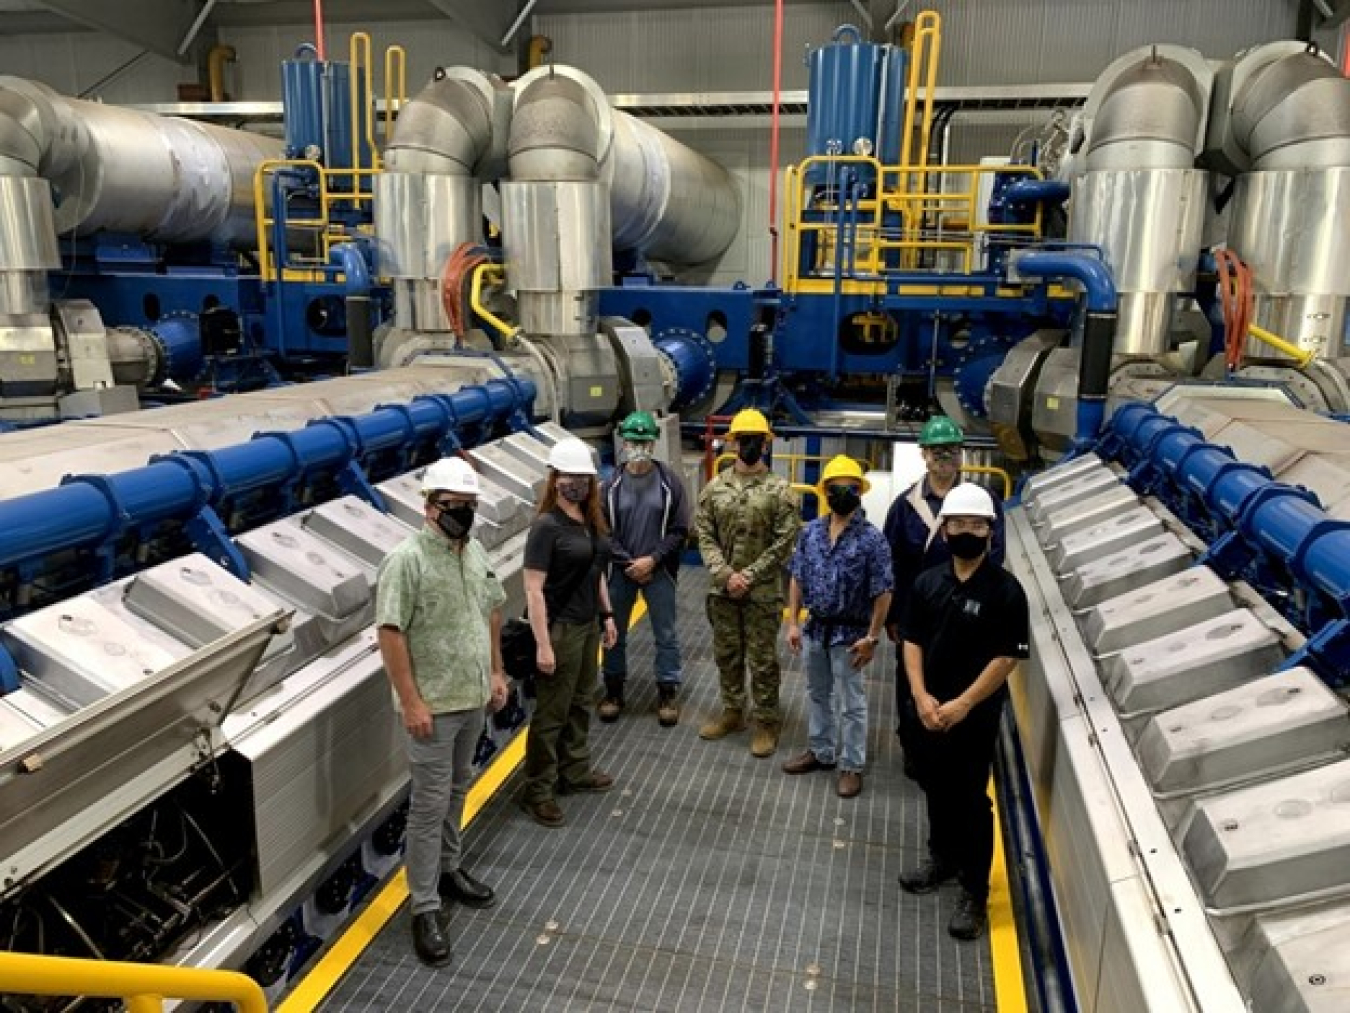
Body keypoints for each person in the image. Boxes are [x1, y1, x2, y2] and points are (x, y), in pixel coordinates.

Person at [374, 456, 510, 968]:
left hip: (471, 696)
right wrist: (410, 701)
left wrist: (496, 672)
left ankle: (448, 871)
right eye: (456, 506)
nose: (465, 514)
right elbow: (390, 633)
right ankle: (423, 906)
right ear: (430, 507)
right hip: (432, 707)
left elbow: (491, 611)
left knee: (459, 787)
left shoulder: (473, 553)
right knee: (428, 808)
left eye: (470, 506)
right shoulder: (405, 560)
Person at [898, 482, 1029, 941]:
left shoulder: (1006, 592)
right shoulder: (928, 583)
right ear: (946, 529)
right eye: (958, 524)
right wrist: (920, 695)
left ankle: (975, 891)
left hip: (973, 716)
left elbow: (1006, 658)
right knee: (935, 785)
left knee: (972, 799)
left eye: (976, 525)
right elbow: (911, 640)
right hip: (930, 709)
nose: (967, 532)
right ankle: (942, 859)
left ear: (990, 532)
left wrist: (963, 704)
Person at [882, 415, 1005, 777]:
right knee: (911, 685)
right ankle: (913, 748)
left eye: (951, 450)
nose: (944, 457)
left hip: (967, 617)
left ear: (961, 453)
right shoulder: (905, 508)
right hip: (918, 617)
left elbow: (994, 563)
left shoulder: (985, 504)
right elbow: (892, 564)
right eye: (937, 451)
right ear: (924, 455)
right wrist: (892, 616)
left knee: (960, 680)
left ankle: (951, 746)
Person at [519, 436, 619, 829]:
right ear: (555, 479)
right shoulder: (546, 528)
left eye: (583, 477)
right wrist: (543, 644)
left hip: (587, 625)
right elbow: (533, 590)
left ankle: (574, 770)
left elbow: (595, 572)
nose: (575, 483)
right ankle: (538, 790)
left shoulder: (590, 521)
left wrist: (607, 615)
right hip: (560, 630)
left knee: (580, 702)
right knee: (552, 713)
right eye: (568, 476)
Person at [783, 455, 893, 798]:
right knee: (817, 694)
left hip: (851, 635)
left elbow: (883, 591)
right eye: (835, 487)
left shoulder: (873, 540)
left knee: (852, 703)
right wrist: (792, 623)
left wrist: (872, 638)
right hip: (816, 629)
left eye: (850, 487)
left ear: (860, 491)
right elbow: (798, 577)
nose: (842, 492)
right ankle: (821, 751)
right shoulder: (811, 532)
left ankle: (851, 765)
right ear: (824, 491)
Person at [695, 408, 800, 757]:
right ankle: (733, 712)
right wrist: (726, 575)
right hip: (723, 591)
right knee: (727, 654)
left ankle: (766, 722)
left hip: (763, 593)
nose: (750, 446)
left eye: (756, 440)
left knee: (763, 659)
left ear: (765, 444)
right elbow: (704, 535)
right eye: (744, 440)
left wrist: (749, 576)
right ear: (734, 443)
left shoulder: (780, 491)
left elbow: (784, 541)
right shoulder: (715, 488)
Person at [600, 410, 691, 727]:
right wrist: (628, 562)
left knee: (666, 635)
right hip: (620, 573)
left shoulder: (670, 484)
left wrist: (652, 560)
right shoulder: (610, 485)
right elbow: (603, 531)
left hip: (659, 572)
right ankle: (613, 691)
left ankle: (667, 692)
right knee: (614, 633)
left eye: (644, 440)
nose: (638, 446)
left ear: (654, 443)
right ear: (624, 442)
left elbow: (679, 530)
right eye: (633, 440)